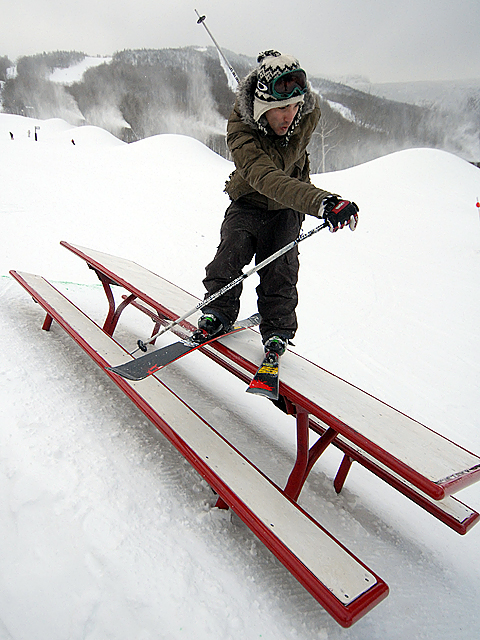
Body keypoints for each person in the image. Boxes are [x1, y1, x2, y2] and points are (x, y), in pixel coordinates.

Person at [196, 50, 358, 356]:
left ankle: (278, 329)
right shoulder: (241, 129)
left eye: (295, 106)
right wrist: (321, 202)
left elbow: (300, 122)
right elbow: (266, 178)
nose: (289, 116)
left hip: (287, 207)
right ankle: (219, 311)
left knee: (280, 269)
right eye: (280, 108)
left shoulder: (307, 114)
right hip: (250, 198)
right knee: (229, 255)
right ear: (261, 107)